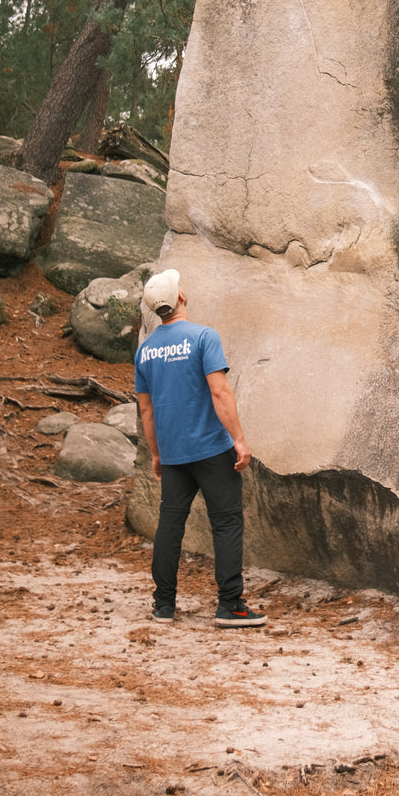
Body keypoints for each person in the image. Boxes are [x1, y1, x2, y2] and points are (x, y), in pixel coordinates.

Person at [134, 268, 267, 628]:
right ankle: (230, 605)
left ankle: (163, 605)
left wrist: (157, 454)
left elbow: (146, 411)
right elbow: (220, 391)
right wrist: (238, 438)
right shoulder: (203, 337)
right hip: (211, 449)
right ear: (181, 298)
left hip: (174, 454)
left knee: (170, 525)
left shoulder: (145, 352)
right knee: (226, 523)